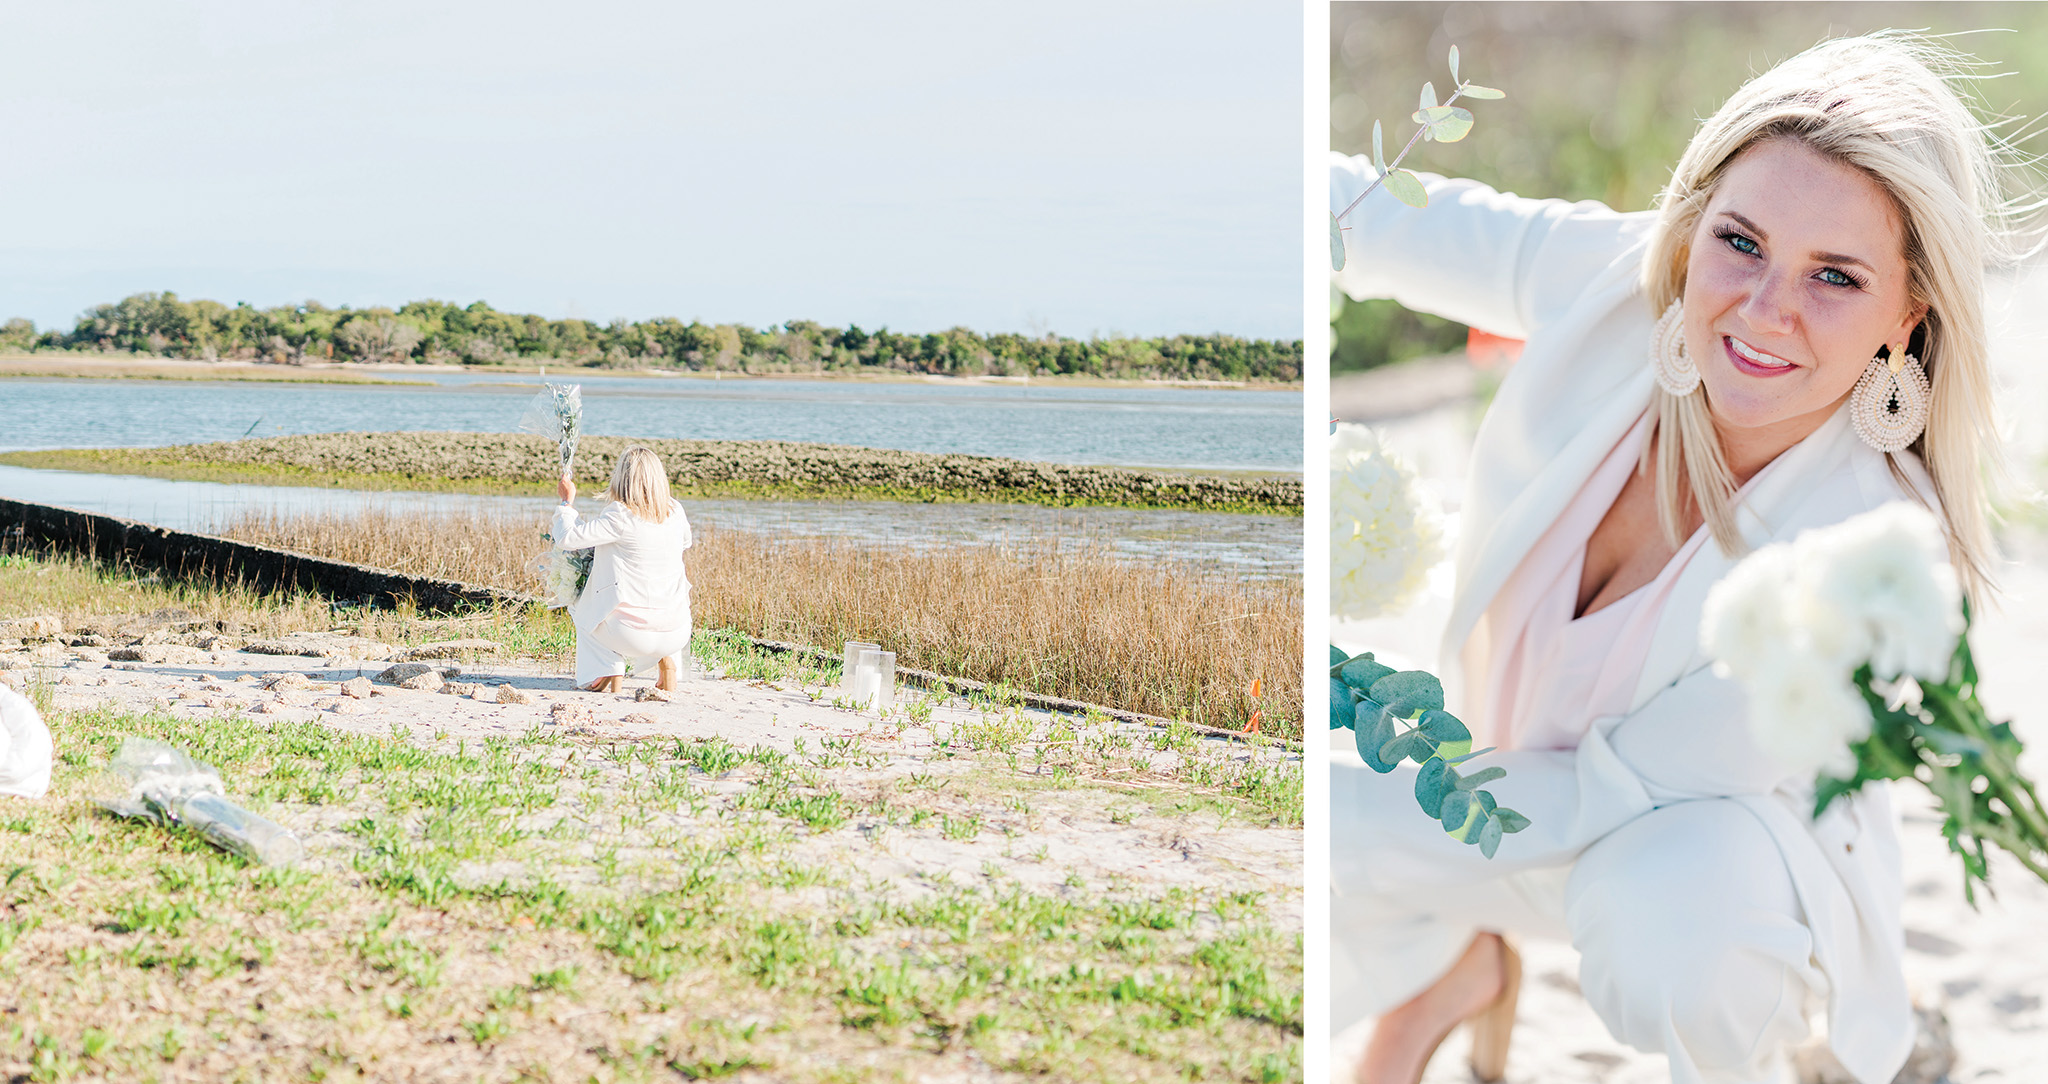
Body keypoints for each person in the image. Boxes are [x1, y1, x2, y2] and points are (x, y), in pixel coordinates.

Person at [1330, 32, 2022, 1084]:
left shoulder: (1871, 557)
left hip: (1696, 871)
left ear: (1906, 314)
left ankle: (1813, 1037)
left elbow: (1608, 792)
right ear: (1694, 226)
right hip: (1505, 794)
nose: (1765, 308)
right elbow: (1369, 218)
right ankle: (1447, 970)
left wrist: (1348, 812)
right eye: (1740, 242)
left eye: (1835, 276)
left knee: (1676, 936)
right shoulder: (1616, 285)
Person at [553, 446, 695, 693]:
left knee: (579, 606)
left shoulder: (620, 514)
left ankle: (608, 667)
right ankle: (668, 664)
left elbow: (568, 538)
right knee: (666, 600)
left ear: (621, 478)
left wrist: (567, 502)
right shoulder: (675, 511)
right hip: (677, 633)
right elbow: (686, 542)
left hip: (629, 635)